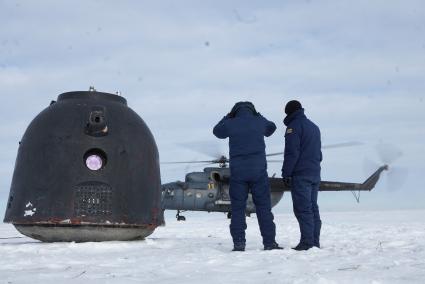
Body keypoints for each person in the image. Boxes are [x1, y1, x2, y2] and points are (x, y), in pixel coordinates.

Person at [213, 101, 282, 251]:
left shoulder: (231, 123)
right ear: (252, 110)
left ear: (235, 111)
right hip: (258, 173)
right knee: (264, 208)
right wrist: (259, 116)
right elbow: (271, 128)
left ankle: (239, 243)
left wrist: (227, 117)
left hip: (238, 173)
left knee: (238, 209)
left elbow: (217, 131)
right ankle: (269, 243)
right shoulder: (259, 121)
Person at [281, 100, 322, 251]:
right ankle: (314, 242)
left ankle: (307, 243)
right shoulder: (314, 127)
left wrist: (286, 173)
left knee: (303, 210)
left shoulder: (294, 127)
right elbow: (319, 154)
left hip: (301, 175)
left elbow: (292, 152)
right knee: (313, 209)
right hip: (315, 174)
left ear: (289, 112)